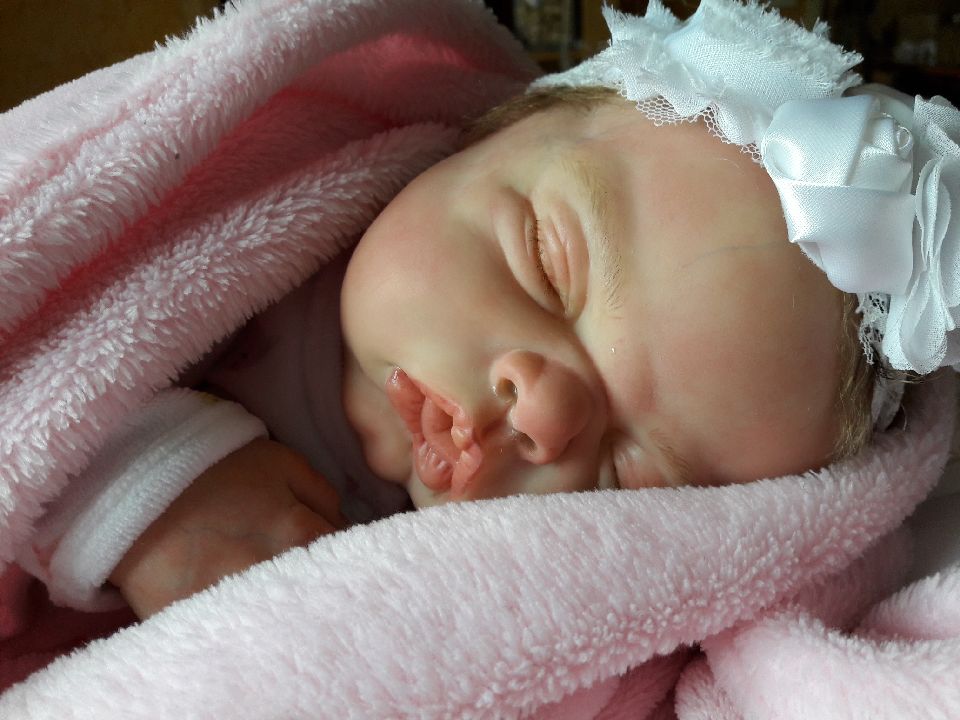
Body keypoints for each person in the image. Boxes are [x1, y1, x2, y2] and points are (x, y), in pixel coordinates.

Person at [21, 0, 960, 620]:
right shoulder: (221, 229)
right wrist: (150, 494)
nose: (543, 412)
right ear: (482, 135)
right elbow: (36, 375)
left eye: (630, 473)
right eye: (546, 266)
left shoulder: (442, 593)